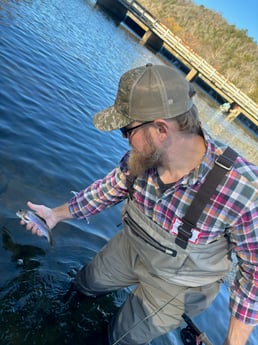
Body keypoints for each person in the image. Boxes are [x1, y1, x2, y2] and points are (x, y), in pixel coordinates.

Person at [22, 63, 257, 345]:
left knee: (119, 338)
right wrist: (54, 215)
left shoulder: (245, 191)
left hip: (179, 285)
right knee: (82, 285)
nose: (124, 138)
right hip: (131, 247)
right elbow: (108, 189)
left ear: (161, 129)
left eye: (126, 129)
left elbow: (253, 277)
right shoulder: (141, 158)